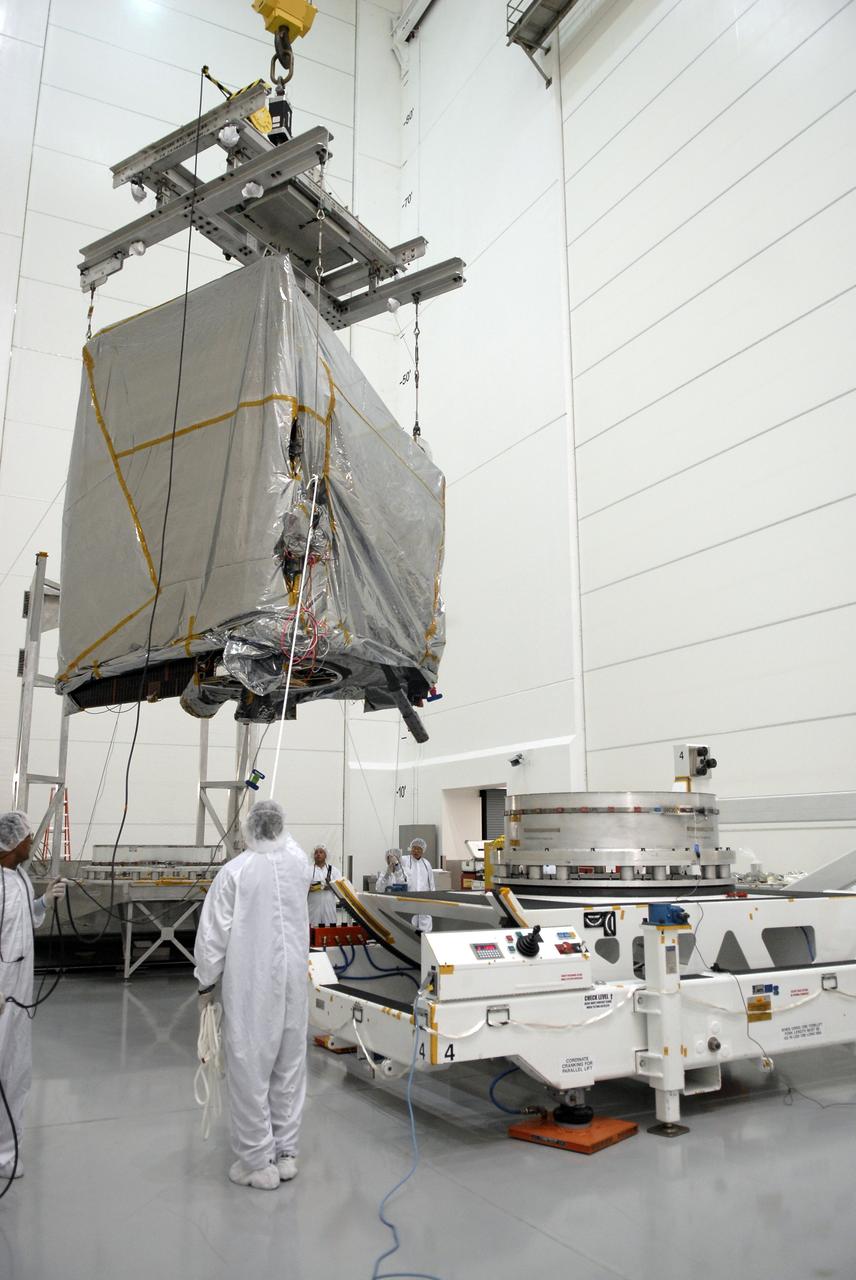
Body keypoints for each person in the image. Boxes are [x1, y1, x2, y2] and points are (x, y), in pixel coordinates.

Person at [194, 799, 312, 1191]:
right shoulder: (299, 866)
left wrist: (205, 983)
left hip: (252, 985)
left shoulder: (235, 874)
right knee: (288, 1067)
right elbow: (292, 848)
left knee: (249, 1070)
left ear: (249, 830)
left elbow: (213, 935)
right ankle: (286, 1153)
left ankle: (257, 1162)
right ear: (280, 827)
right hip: (294, 984)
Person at [0, 811, 67, 1181]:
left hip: (20, 995)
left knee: (15, 1072)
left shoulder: (20, 878)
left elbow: (25, 919)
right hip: (0, 995)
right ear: (12, 844)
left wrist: (44, 902)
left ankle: (6, 1155)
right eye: (27, 838)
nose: (32, 844)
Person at [375, 838, 435, 933]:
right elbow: (380, 887)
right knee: (407, 926)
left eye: (419, 849)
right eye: (414, 848)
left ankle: (424, 941)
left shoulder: (426, 864)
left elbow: (430, 882)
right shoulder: (405, 861)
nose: (416, 851)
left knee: (424, 922)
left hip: (424, 898)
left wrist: (432, 896)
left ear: (423, 851)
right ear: (410, 849)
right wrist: (389, 872)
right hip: (406, 901)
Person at [308, 844, 340, 928]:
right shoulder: (308, 870)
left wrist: (331, 886)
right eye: (316, 853)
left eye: (321, 852)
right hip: (313, 907)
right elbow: (300, 887)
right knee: (313, 930)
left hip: (329, 906)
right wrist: (308, 888)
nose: (318, 854)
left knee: (329, 929)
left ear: (326, 855)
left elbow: (340, 887)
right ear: (313, 856)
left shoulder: (333, 870)